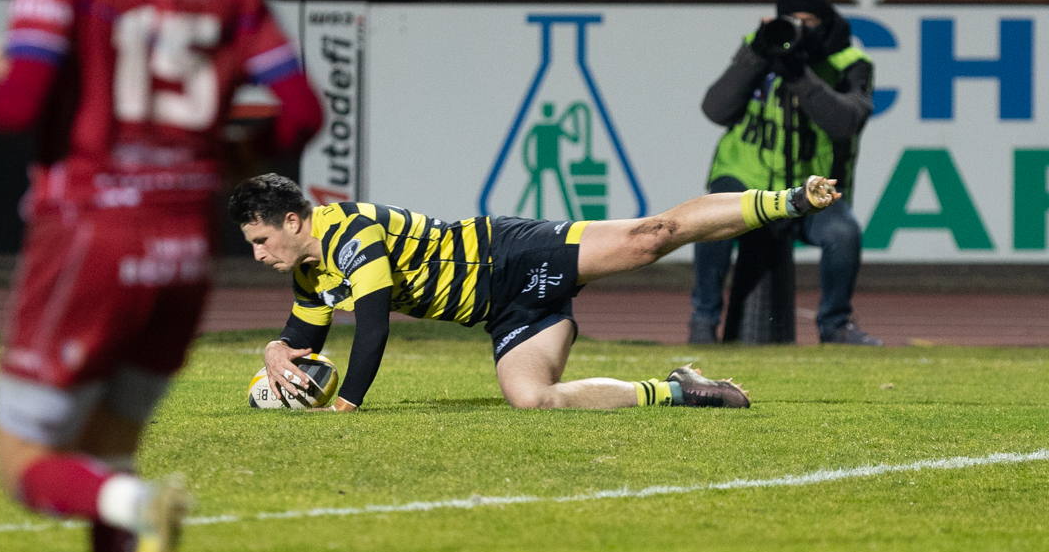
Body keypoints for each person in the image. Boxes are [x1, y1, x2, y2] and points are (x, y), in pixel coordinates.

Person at [0, 0, 322, 552]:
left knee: (27, 464)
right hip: (185, 248)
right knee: (108, 456)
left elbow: (19, 105)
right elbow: (300, 113)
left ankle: (138, 506)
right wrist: (226, 159)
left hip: (90, 240)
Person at [230, 172, 841, 413]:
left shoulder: (349, 229)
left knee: (649, 238)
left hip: (513, 252)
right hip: (504, 309)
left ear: (292, 221)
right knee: (532, 399)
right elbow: (305, 337)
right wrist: (276, 351)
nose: (258, 256)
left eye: (260, 239)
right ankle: (681, 390)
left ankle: (785, 201)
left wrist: (346, 406)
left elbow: (373, 328)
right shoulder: (311, 272)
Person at [689, 0, 882, 346]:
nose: (800, 29)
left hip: (814, 187)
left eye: (809, 22)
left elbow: (845, 124)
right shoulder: (759, 47)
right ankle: (702, 321)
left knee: (843, 235)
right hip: (745, 175)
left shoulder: (849, 62)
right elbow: (715, 109)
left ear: (825, 20)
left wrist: (799, 75)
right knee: (708, 221)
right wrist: (756, 56)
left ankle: (835, 326)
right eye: (792, 20)